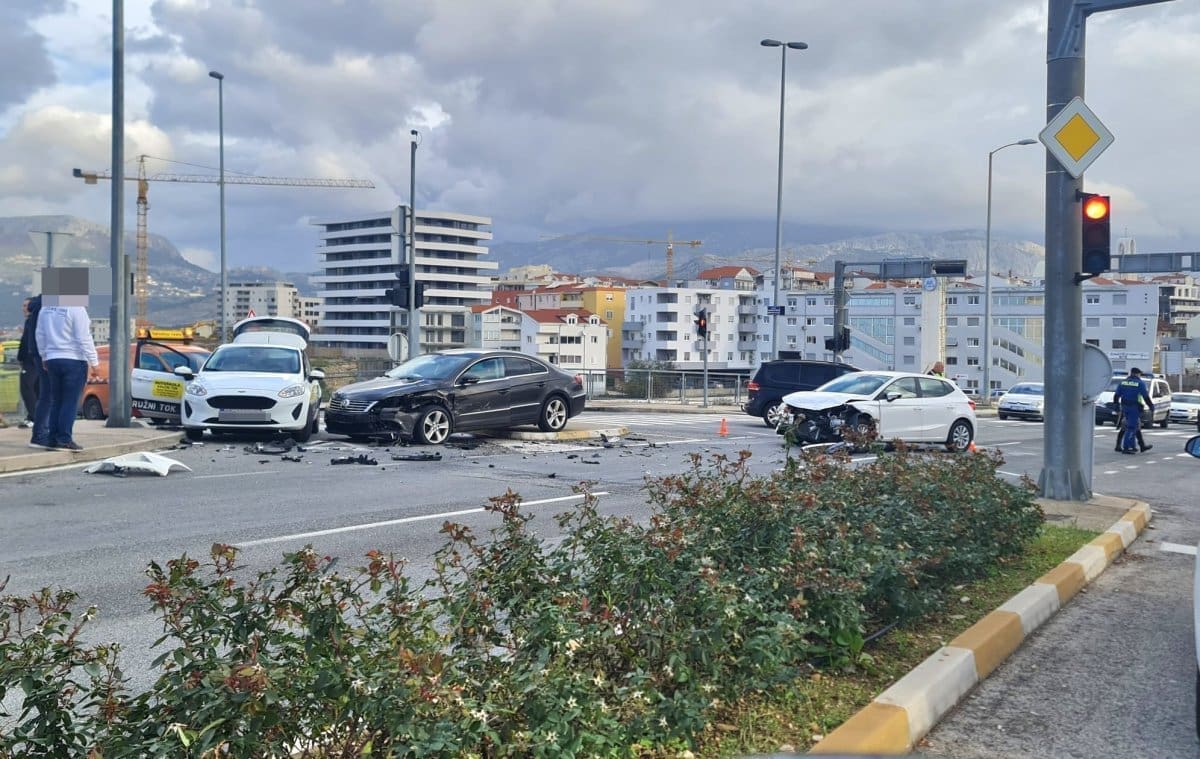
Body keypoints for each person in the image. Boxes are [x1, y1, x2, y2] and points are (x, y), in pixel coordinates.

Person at [34, 302, 100, 451]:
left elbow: (40, 334)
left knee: (56, 401)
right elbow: (84, 337)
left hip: (52, 358)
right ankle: (64, 439)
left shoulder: (46, 308)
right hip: (74, 359)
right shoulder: (76, 308)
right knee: (70, 402)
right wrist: (94, 362)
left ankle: (52, 438)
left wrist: (44, 356)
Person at [1113, 367, 1154, 455]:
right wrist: (1151, 406)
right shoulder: (1140, 383)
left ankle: (1135, 446)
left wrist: (1116, 406)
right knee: (1131, 427)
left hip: (1124, 407)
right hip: (1134, 408)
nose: (1140, 375)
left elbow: (1116, 395)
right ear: (1136, 374)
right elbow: (1146, 397)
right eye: (1139, 374)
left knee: (1133, 426)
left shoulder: (1123, 382)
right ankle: (1127, 447)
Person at [16, 296, 41, 428]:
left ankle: (34, 417)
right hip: (37, 359)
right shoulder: (36, 320)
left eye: (26, 306)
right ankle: (37, 417)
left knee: (26, 388)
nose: (24, 308)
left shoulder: (31, 321)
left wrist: (21, 357)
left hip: (30, 361)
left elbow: (26, 342)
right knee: (36, 389)